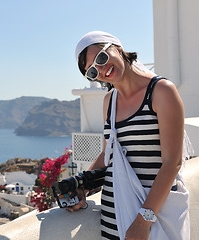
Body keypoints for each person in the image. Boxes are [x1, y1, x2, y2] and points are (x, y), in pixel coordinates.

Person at [68, 31, 190, 240]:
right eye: (92, 72)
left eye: (102, 58)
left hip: (151, 219)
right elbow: (109, 154)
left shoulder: (161, 91)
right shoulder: (109, 102)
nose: (101, 70)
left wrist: (143, 220)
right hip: (113, 218)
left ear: (118, 48)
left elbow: (172, 163)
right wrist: (82, 186)